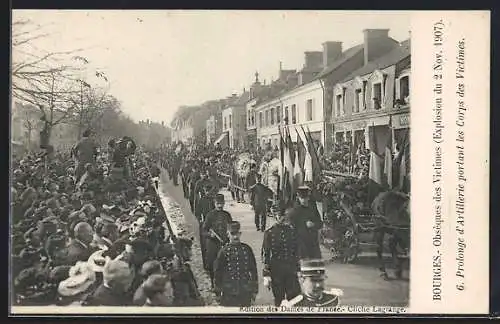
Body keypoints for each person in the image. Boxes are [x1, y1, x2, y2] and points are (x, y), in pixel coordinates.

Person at [261, 208, 301, 306]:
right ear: (275, 216)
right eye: (278, 216)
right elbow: (265, 253)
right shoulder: (269, 233)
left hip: (291, 269)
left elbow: (297, 252)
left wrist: (299, 270)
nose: (281, 218)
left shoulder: (292, 231)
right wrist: (266, 274)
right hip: (276, 270)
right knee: (279, 299)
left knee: (294, 298)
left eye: (283, 216)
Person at [213, 221, 258, 307]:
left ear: (240, 234)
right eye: (232, 234)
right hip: (228, 292)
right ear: (228, 234)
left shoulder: (246, 249)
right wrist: (218, 292)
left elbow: (253, 270)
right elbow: (217, 273)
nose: (235, 236)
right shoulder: (223, 252)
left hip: (244, 290)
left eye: (237, 233)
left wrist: (254, 290)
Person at [202, 194, 233, 287]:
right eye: (217, 203)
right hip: (212, 244)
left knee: (225, 264)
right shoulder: (210, 215)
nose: (219, 206)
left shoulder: (227, 215)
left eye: (221, 203)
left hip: (224, 243)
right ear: (214, 203)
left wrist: (229, 234)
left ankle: (224, 283)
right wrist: (210, 234)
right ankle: (213, 283)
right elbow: (204, 230)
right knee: (212, 264)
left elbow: (231, 228)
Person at [288, 185, 323, 259]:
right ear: (298, 198)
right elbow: (291, 229)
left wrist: (313, 224)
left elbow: (320, 223)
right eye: (302, 198)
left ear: (308, 198)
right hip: (300, 245)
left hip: (313, 244)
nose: (303, 200)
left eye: (305, 198)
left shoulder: (313, 209)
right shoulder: (294, 212)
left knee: (315, 266)